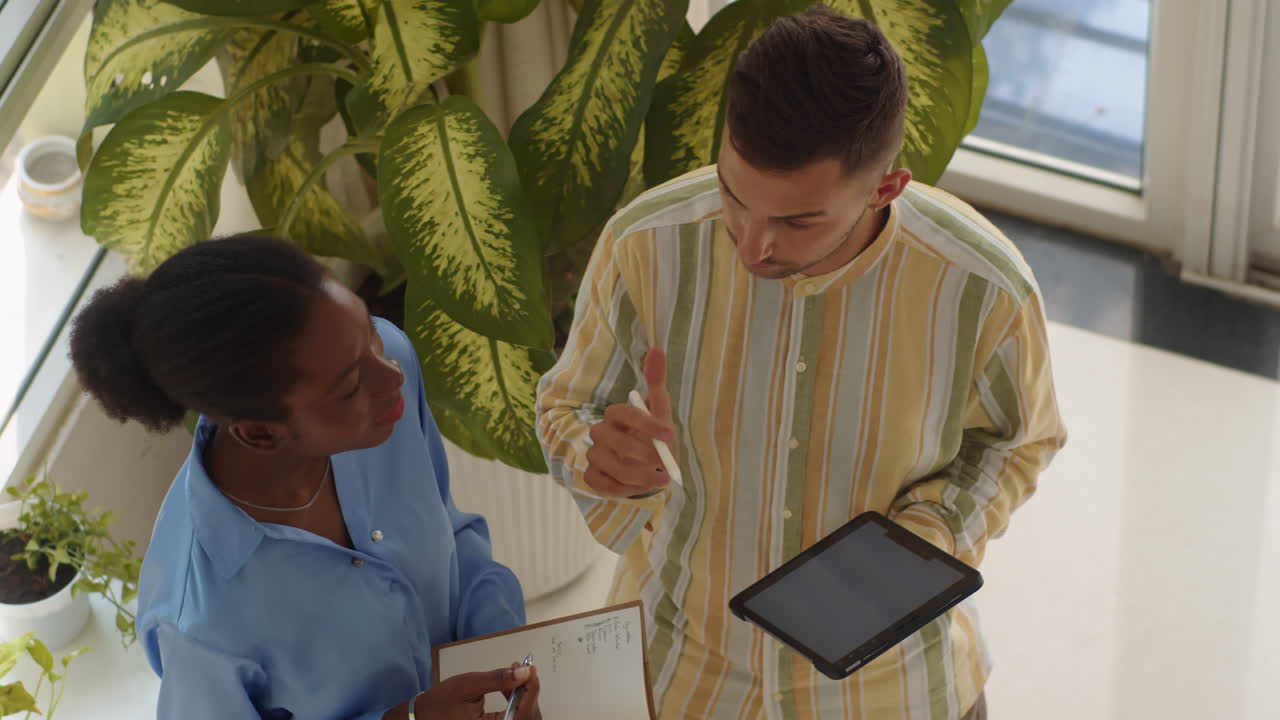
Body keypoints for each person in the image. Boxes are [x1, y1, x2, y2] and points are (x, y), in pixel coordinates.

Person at [536, 6, 1067, 719]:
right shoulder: (646, 244)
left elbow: (1018, 440)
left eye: (796, 220)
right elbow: (567, 406)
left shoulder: (982, 286)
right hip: (681, 677)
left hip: (899, 690)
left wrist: (930, 534)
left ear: (887, 187)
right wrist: (596, 457)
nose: (753, 244)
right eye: (732, 193)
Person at [69, 234, 541, 720]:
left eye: (370, 335)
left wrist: (505, 665)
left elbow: (453, 534)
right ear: (259, 434)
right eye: (352, 385)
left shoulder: (385, 386)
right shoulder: (199, 622)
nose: (391, 374)